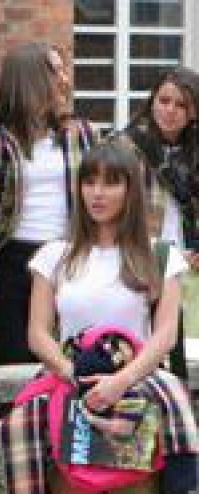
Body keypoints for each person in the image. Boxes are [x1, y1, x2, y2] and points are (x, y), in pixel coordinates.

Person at [27, 141, 190, 494]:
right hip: (72, 406)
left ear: (130, 189)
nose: (98, 192)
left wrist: (120, 382)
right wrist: (74, 375)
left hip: (136, 411)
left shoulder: (160, 256)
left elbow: (165, 334)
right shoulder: (53, 255)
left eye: (111, 182)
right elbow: (38, 333)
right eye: (89, 181)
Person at [0, 42, 96, 365]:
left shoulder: (81, 134)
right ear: (30, 79)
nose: (64, 79)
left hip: (67, 255)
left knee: (68, 355)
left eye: (63, 69)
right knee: (10, 357)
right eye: (55, 70)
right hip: (11, 259)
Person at [115, 67, 199, 335]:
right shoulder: (125, 147)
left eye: (181, 105)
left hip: (191, 267)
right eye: (164, 101)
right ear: (152, 101)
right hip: (143, 263)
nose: (170, 110)